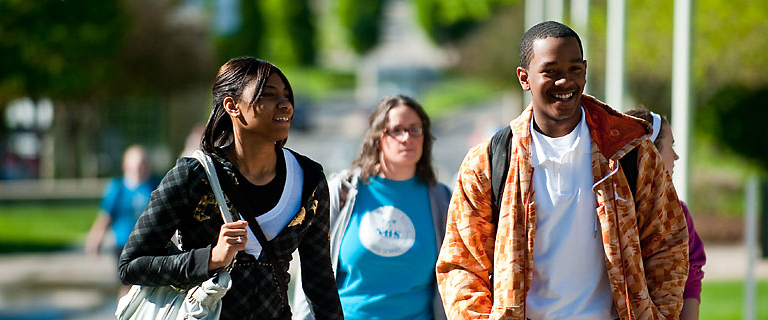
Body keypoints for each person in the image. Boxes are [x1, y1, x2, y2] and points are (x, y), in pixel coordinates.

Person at [435, 21, 688, 319]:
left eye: (574, 70)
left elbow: (668, 244)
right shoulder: (488, 162)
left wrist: (659, 313)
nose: (564, 81)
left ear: (585, 70)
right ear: (524, 78)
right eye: (550, 71)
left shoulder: (630, 153)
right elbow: (462, 263)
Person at [119, 57, 343, 319]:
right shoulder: (193, 176)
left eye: (286, 95)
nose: (285, 105)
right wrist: (211, 258)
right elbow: (132, 265)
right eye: (268, 95)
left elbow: (320, 283)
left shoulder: (309, 179)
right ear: (232, 106)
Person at [291, 96, 452, 320]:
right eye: (397, 130)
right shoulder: (341, 192)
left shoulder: (441, 199)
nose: (407, 138)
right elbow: (311, 272)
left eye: (415, 129)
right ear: (377, 138)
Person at [624, 108, 706, 320]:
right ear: (650, 153)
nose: (676, 156)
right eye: (671, 146)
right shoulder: (609, 212)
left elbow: (691, 278)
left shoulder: (677, 213)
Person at [84, 145, 158, 261]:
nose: (139, 169)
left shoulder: (155, 186)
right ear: (126, 166)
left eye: (142, 164)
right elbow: (106, 216)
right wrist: (96, 240)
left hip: (150, 245)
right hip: (124, 244)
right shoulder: (117, 188)